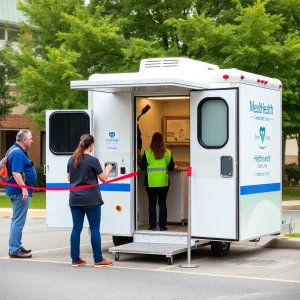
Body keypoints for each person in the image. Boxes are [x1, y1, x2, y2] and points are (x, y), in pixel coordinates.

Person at [67, 134, 113, 267]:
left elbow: (69, 178)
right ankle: (98, 259)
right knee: (94, 228)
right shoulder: (93, 160)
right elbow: (103, 178)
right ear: (91, 145)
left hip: (74, 198)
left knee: (76, 228)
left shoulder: (72, 159)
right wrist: (108, 169)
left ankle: (75, 259)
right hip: (91, 199)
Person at [6, 129, 37, 259]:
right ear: (24, 140)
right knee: (18, 221)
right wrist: (24, 189)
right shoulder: (18, 153)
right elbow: (16, 173)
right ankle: (14, 249)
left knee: (16, 220)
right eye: (30, 138)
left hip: (16, 191)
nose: (32, 140)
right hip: (19, 192)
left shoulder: (13, 149)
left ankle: (16, 245)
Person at [139, 132, 175, 231]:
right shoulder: (168, 152)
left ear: (152, 141)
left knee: (152, 204)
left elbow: (142, 167)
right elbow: (171, 167)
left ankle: (153, 226)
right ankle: (163, 226)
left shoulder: (147, 152)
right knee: (162, 204)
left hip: (151, 183)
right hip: (163, 182)